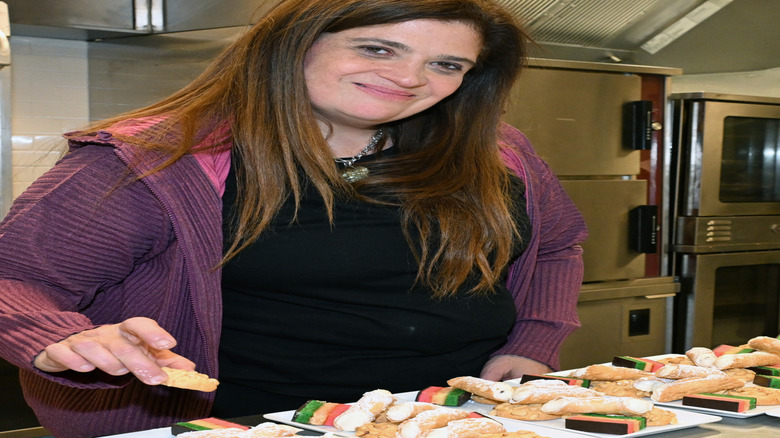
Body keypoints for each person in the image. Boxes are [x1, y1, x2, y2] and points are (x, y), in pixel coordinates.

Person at [0, 0, 587, 436]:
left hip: (452, 419)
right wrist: (64, 339)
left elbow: (559, 245)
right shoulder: (157, 161)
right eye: (377, 48)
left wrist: (536, 338)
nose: (410, 79)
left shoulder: (496, 152)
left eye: (446, 64)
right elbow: (15, 279)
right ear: (296, 42)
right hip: (257, 424)